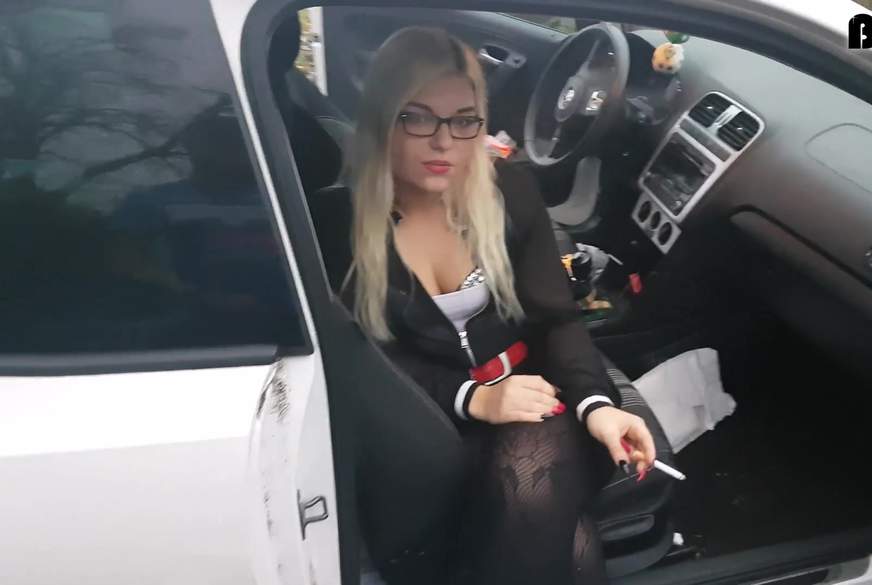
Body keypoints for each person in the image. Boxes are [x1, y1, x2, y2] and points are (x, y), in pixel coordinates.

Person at [344, 26, 656, 585]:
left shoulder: (507, 190)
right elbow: (365, 361)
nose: (444, 142)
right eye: (417, 118)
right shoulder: (340, 222)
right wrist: (474, 398)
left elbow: (556, 318)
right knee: (573, 549)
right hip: (425, 419)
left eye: (464, 121)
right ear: (381, 119)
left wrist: (596, 405)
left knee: (527, 483)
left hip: (537, 396)